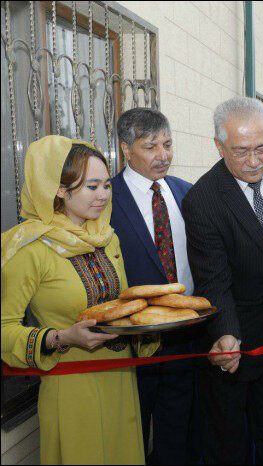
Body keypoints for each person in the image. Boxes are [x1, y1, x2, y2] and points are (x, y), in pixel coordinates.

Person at [1, 135, 159, 464]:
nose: (103, 195)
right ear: (58, 189)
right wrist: (60, 337)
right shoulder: (29, 248)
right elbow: (3, 328)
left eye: (106, 185)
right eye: (91, 187)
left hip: (121, 379)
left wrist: (149, 326)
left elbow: (123, 306)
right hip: (71, 386)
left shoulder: (106, 238)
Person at [182, 96, 263, 464]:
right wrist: (226, 335)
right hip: (235, 339)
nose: (253, 161)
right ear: (219, 146)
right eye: (241, 151)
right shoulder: (202, 200)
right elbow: (213, 280)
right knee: (229, 442)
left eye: (261, 148)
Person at [110, 108, 197, 464]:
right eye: (150, 147)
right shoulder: (106, 200)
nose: (163, 155)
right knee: (131, 433)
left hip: (186, 336)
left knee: (178, 433)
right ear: (126, 149)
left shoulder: (186, 193)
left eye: (167, 144)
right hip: (131, 342)